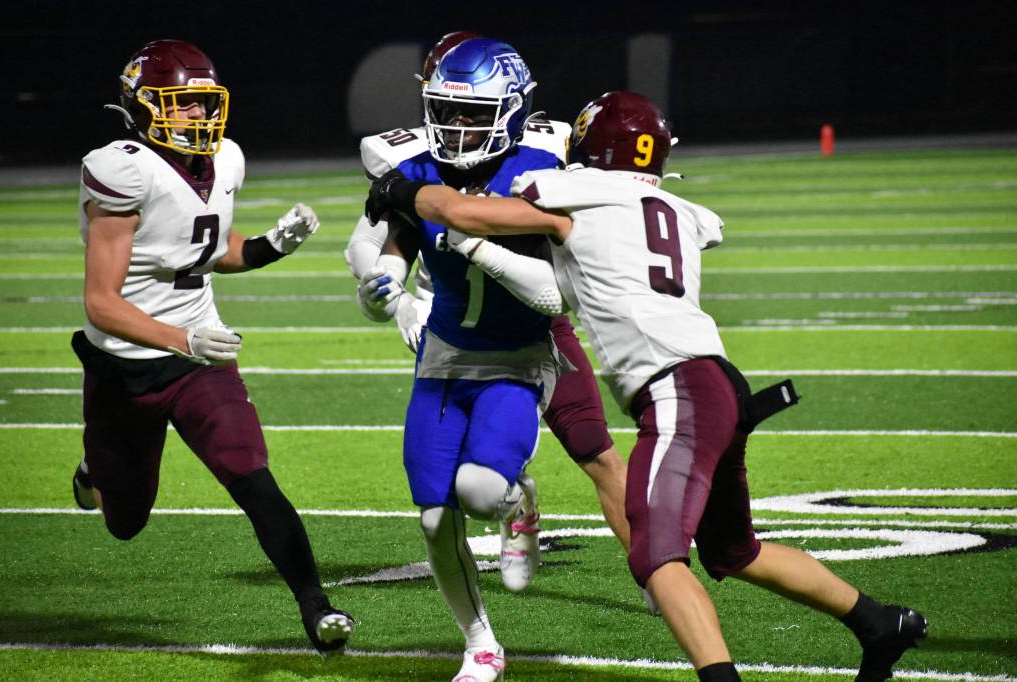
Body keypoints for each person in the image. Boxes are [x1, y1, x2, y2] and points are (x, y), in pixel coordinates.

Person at [365, 91, 929, 682]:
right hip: (720, 382)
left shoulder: (575, 194)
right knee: (735, 552)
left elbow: (462, 211)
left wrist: (404, 191)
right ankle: (879, 623)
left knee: (657, 556)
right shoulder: (679, 211)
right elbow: (564, 280)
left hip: (675, 391)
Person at [69, 39, 354, 654]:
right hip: (125, 367)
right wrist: (184, 337)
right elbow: (102, 303)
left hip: (198, 364)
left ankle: (317, 606)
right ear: (142, 107)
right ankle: (94, 468)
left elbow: (207, 250)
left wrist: (270, 246)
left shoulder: (224, 160)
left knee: (251, 475)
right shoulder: (123, 170)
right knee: (125, 522)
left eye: (203, 102)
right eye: (182, 104)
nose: (198, 115)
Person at [354, 36, 623, 682]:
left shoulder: (545, 168)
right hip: (442, 361)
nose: (455, 125)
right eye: (445, 110)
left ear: (511, 111)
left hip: (518, 357)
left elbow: (557, 296)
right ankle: (480, 644)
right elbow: (387, 247)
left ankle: (517, 500)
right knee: (432, 517)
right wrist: (383, 290)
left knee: (479, 491)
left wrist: (475, 245)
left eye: (472, 113)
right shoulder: (415, 167)